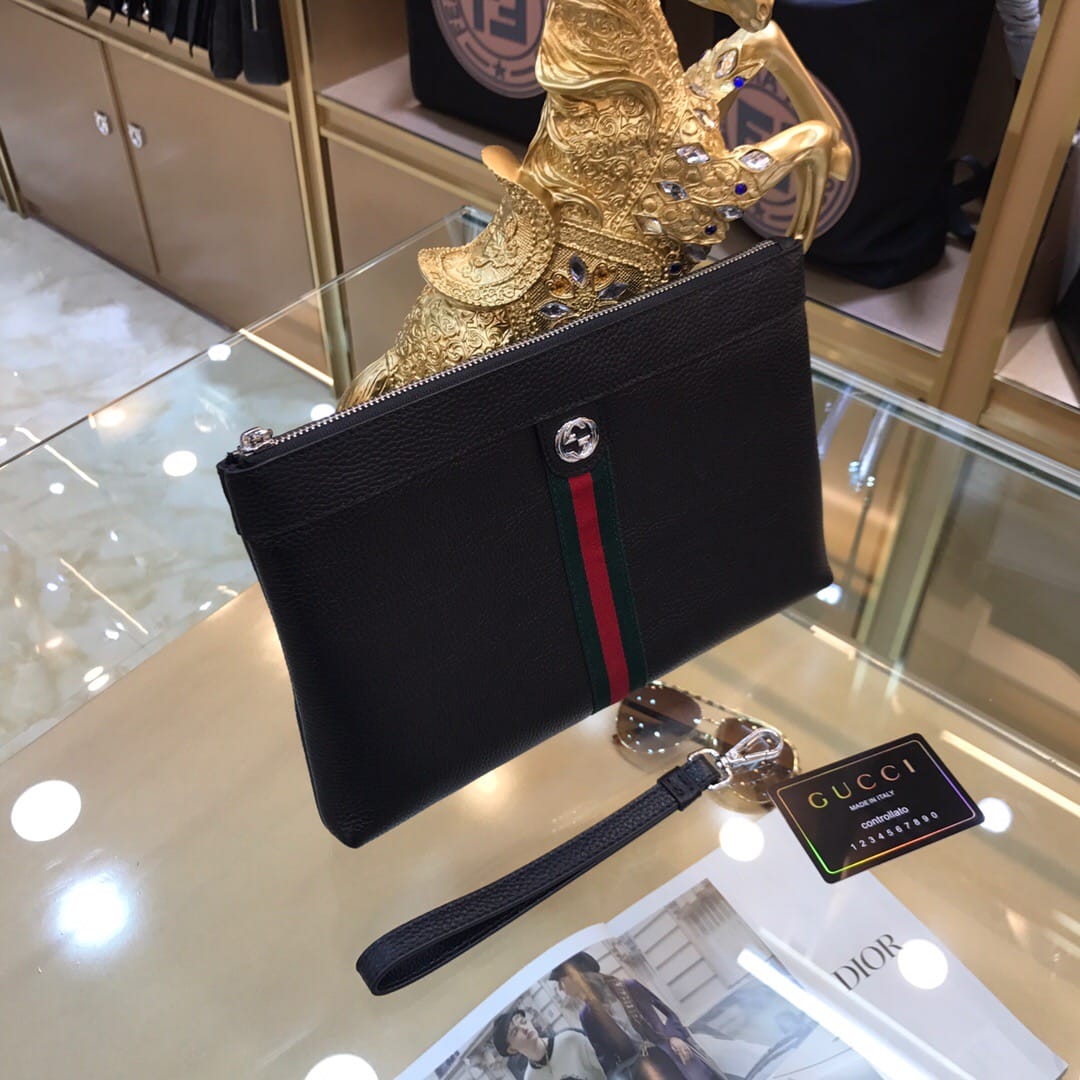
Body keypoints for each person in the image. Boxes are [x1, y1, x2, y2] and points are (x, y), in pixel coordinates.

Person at [549, 953, 727, 1080]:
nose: (561, 989)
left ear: (577, 976)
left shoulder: (629, 987)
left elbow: (667, 1014)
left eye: (561, 981)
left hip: (676, 1057)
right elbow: (605, 1057)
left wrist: (674, 1036)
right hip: (645, 1071)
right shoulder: (587, 1017)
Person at [492, 1008, 606, 1080]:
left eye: (523, 1021)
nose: (524, 1028)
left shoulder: (570, 1039)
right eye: (515, 1032)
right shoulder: (531, 1078)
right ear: (511, 1049)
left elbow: (607, 1068)